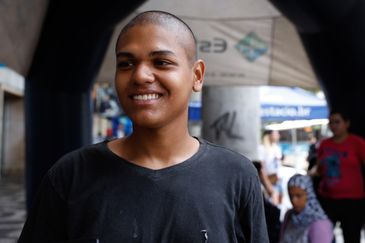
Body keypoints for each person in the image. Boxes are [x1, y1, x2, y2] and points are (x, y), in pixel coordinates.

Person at [18, 10, 269, 242]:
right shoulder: (70, 175)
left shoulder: (236, 175)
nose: (140, 76)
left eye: (161, 62)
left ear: (197, 75)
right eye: (126, 64)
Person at [315, 110, 365, 243]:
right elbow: (318, 169)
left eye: (337, 122)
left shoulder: (357, 143)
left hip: (352, 201)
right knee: (324, 236)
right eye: (331, 122)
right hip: (327, 199)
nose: (333, 125)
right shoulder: (324, 144)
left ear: (346, 123)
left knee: (352, 237)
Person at [279, 174, 333, 243]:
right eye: (291, 196)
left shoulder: (320, 224)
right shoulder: (289, 215)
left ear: (309, 194)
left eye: (298, 196)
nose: (293, 201)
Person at [258, 130, 284, 205]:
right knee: (273, 205)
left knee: (279, 204)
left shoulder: (277, 148)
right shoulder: (262, 148)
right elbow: (261, 168)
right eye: (276, 133)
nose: (278, 135)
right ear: (269, 135)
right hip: (269, 180)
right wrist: (268, 185)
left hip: (278, 179)